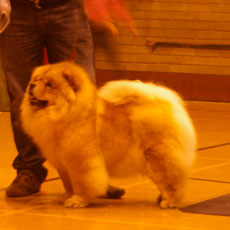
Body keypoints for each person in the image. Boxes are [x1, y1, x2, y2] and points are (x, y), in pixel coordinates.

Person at [0, 0, 124, 198]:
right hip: (17, 11)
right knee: (22, 96)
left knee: (83, 92)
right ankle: (29, 169)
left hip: (66, 8)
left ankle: (90, 172)